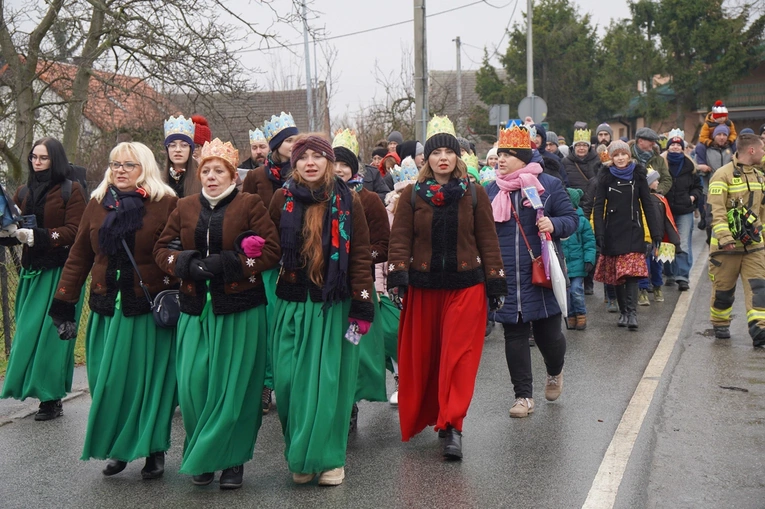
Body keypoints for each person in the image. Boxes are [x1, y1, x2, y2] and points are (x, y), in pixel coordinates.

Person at [154, 138, 281, 489]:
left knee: (236, 388)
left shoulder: (250, 204)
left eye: (219, 171)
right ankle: (203, 453)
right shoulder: (184, 206)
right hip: (195, 309)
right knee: (195, 387)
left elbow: (271, 251)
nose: (211, 177)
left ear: (232, 176)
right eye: (206, 171)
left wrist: (229, 263)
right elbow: (161, 249)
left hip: (240, 309)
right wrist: (185, 263)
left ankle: (233, 461)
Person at [47, 141, 178, 478]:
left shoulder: (166, 204)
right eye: (115, 164)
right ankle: (119, 449)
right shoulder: (97, 203)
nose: (120, 170)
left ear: (144, 167)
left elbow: (175, 252)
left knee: (149, 384)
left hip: (147, 312)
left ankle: (153, 449)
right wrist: (64, 303)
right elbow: (79, 256)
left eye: (129, 164)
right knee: (109, 383)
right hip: (107, 310)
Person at [387, 115, 506, 460]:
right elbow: (400, 241)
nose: (443, 157)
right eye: (436, 151)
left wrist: (495, 280)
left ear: (457, 158)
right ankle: (433, 415)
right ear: (427, 159)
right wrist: (397, 277)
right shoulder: (412, 195)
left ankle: (452, 426)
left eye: (448, 152)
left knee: (457, 358)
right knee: (426, 359)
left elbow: (487, 239)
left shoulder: (474, 193)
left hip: (465, 286)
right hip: (423, 289)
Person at [268, 134, 375, 486]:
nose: (310, 162)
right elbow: (268, 248)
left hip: (333, 305)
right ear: (293, 163)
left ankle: (329, 459)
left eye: (318, 156)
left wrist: (362, 304)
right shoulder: (280, 199)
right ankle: (300, 455)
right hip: (291, 303)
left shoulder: (348, 201)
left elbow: (359, 254)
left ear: (329, 162)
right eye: (303, 157)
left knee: (329, 385)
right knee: (287, 384)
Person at [485, 123, 576, 418]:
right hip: (506, 277)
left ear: (524, 157)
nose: (501, 159)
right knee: (514, 335)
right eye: (500, 154)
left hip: (541, 275)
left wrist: (554, 224)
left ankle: (554, 371)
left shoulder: (547, 185)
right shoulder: (492, 190)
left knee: (549, 336)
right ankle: (523, 396)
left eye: (508, 154)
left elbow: (570, 218)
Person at [0, 137, 86, 420]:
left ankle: (51, 398)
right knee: (26, 334)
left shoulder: (71, 190)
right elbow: (14, 226)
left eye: (43, 158)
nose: (37, 163)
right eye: (33, 157)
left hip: (61, 273)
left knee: (51, 338)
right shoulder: (24, 191)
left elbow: (76, 230)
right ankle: (29, 386)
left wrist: (39, 236)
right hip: (31, 272)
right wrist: (8, 233)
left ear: (55, 160)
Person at [331, 129, 391, 431]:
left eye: (345, 164)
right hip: (328, 290)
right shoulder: (321, 197)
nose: (339, 169)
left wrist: (360, 257)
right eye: (335, 163)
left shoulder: (368, 200)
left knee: (355, 346)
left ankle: (352, 402)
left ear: (355, 168)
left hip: (359, 288)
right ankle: (341, 402)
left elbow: (384, 244)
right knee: (333, 348)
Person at [242, 112, 299, 413]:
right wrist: (249, 240)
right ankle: (265, 384)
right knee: (267, 325)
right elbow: (243, 213)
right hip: (266, 261)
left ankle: (289, 381)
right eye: (288, 140)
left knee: (288, 326)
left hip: (293, 260)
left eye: (295, 139)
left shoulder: (304, 171)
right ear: (276, 145)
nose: (293, 145)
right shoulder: (256, 177)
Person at [593, 140, 662, 330]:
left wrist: (655, 233)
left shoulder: (638, 175)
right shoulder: (605, 177)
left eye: (623, 154)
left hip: (633, 230)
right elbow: (598, 207)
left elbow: (647, 205)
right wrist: (599, 233)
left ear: (629, 155)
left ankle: (632, 313)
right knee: (617, 276)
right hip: (612, 231)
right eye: (616, 155)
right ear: (611, 158)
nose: (620, 158)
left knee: (631, 274)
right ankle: (623, 312)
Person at [706, 133, 765, 344]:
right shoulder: (722, 175)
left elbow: (762, 211)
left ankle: (760, 331)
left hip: (754, 247)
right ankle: (720, 323)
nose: (763, 153)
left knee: (759, 288)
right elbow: (715, 210)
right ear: (751, 150)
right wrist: (725, 237)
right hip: (726, 248)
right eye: (762, 149)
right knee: (723, 291)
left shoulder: (759, 177)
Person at [375, 157, 418, 406]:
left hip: (421, 283)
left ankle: (419, 379)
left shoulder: (424, 213)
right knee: (392, 333)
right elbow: (380, 257)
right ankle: (401, 378)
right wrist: (379, 286)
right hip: (393, 286)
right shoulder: (387, 217)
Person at [662, 133, 702, 292]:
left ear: (683, 148)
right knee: (667, 242)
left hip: (684, 210)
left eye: (678, 145)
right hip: (666, 210)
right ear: (668, 146)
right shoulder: (661, 164)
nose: (675, 147)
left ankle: (683, 277)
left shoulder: (690, 165)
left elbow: (698, 187)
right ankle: (670, 273)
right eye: (672, 144)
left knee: (683, 242)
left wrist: (692, 197)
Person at [562, 188, 596, 330]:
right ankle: (571, 315)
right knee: (567, 292)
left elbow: (589, 242)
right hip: (563, 264)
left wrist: (589, 260)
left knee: (576, 289)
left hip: (578, 263)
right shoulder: (559, 220)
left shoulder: (582, 222)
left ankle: (581, 314)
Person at [163, 114, 201, 198]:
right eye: (172, 145)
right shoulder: (159, 182)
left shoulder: (201, 180)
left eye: (184, 145)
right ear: (167, 149)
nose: (178, 149)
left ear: (190, 149)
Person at [630, 128, 672, 196]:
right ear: (640, 141)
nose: (654, 143)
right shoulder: (626, 157)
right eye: (651, 141)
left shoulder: (659, 159)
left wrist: (655, 192)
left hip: (651, 199)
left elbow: (667, 179)